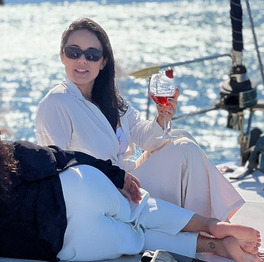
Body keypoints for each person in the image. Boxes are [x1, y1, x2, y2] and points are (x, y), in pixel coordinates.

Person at [0, 94, 264, 262]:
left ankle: (217, 247)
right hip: (77, 189)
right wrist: (116, 175)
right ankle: (213, 227)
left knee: (141, 239)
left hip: (65, 242)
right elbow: (57, 156)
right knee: (144, 210)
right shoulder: (0, 156)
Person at [35, 18, 244, 222]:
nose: (82, 60)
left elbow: (145, 139)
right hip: (106, 193)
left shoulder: (109, 98)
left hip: (129, 182)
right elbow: (57, 166)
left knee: (181, 137)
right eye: (74, 52)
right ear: (63, 56)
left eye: (92, 55)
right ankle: (213, 226)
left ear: (103, 62)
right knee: (185, 150)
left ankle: (210, 224)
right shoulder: (57, 102)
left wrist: (162, 118)